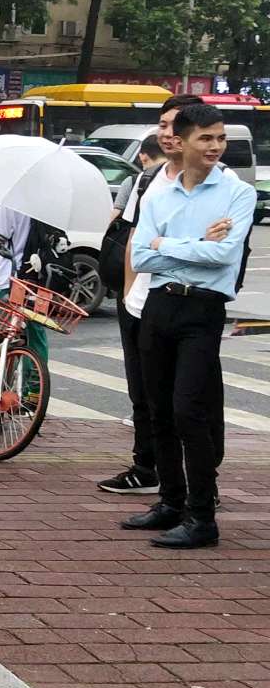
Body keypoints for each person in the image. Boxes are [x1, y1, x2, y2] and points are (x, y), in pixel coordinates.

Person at [122, 103, 255, 550]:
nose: (216, 146)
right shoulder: (157, 194)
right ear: (181, 141)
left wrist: (167, 245)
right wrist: (196, 242)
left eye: (221, 138)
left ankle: (202, 517)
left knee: (188, 411)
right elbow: (141, 257)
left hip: (202, 310)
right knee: (158, 409)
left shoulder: (237, 193)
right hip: (159, 305)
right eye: (206, 138)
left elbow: (224, 255)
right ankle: (170, 502)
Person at [100, 95, 202, 496]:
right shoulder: (148, 179)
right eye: (162, 125)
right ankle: (146, 467)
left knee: (188, 401)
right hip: (139, 302)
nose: (168, 133)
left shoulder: (218, 183)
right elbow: (133, 241)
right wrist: (128, 296)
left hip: (187, 304)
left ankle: (200, 482)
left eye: (176, 125)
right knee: (142, 392)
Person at [0, 205, 48, 366]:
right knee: (36, 333)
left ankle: (6, 376)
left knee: (9, 333)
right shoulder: (49, 204)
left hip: (11, 277)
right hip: (39, 279)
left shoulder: (11, 203)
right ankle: (36, 378)